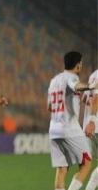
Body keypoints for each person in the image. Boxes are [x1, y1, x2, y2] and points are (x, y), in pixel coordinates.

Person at [47, 51, 96, 190]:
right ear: (78, 65)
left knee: (62, 169)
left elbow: (50, 106)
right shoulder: (71, 77)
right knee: (86, 163)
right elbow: (76, 85)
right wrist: (90, 86)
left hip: (54, 130)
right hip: (69, 128)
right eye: (81, 63)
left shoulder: (54, 81)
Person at [83, 69, 98, 190]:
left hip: (91, 127)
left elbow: (85, 99)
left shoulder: (93, 75)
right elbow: (96, 98)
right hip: (95, 125)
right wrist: (92, 120)